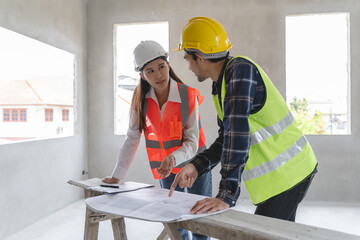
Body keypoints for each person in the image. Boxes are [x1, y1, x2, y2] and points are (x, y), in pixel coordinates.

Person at [169, 16, 318, 222]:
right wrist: (197, 165)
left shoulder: (240, 71)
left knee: (262, 234)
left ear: (200, 57)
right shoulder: (220, 85)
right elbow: (227, 138)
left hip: (288, 173)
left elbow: (237, 135)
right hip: (283, 177)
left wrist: (226, 195)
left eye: (187, 58)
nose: (188, 66)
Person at [103, 40, 212, 240]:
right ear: (142, 75)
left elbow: (192, 141)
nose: (158, 75)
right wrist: (117, 175)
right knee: (174, 222)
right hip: (166, 169)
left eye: (161, 67)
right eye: (150, 71)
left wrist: (173, 157)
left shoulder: (187, 95)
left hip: (196, 164)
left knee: (200, 222)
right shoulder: (140, 99)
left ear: (168, 65)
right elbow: (132, 138)